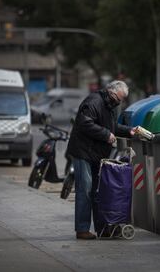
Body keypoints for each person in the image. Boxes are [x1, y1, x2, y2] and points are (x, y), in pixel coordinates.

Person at [66, 80, 136, 239]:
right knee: (85, 189)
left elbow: (112, 128)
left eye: (121, 100)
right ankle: (82, 229)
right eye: (117, 98)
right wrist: (106, 135)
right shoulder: (93, 102)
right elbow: (84, 123)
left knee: (99, 191)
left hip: (97, 154)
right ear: (110, 92)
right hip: (83, 152)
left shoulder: (111, 106)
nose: (119, 102)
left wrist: (130, 131)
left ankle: (103, 228)